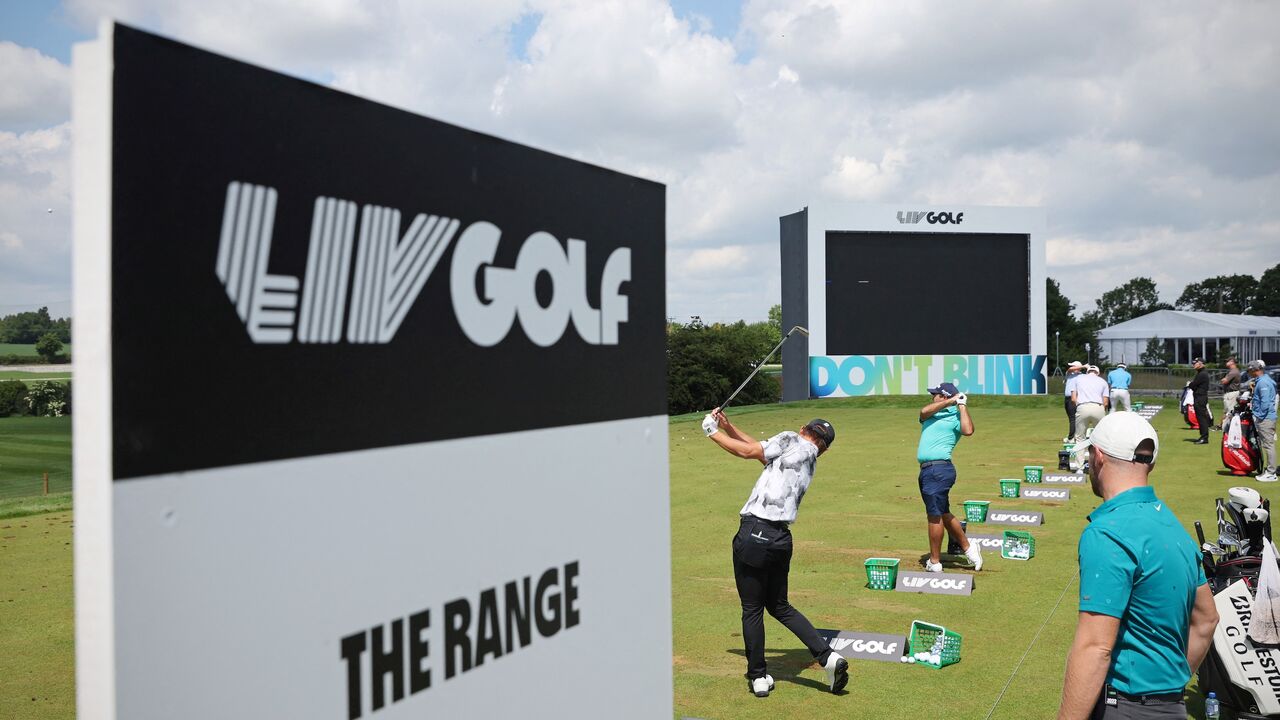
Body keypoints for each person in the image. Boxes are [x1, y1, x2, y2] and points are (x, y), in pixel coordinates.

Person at [1057, 412, 1219, 719]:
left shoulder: (1106, 532)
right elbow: (1207, 619)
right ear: (1151, 463)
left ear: (1098, 456)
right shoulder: (1172, 525)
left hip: (1124, 708)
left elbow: (1095, 648)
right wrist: (1168, 686)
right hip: (1173, 708)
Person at [703, 408, 849, 698]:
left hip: (755, 532)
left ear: (802, 428)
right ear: (825, 448)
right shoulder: (809, 459)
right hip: (781, 539)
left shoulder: (789, 438)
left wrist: (711, 431)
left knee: (752, 609)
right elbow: (760, 451)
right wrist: (730, 427)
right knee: (780, 606)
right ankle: (827, 657)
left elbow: (747, 453)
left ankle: (758, 676)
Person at [916, 382, 982, 573]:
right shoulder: (932, 413)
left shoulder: (956, 416)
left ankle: (935, 562)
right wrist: (952, 401)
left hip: (939, 469)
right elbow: (923, 411)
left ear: (943, 396)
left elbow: (968, 430)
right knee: (943, 512)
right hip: (927, 471)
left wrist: (961, 405)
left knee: (934, 516)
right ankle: (969, 548)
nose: (932, 396)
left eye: (935, 394)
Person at [1247, 360, 1277, 482]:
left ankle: (1271, 473)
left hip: (1265, 418)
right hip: (1266, 417)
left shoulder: (1263, 382)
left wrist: (1258, 414)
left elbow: (1265, 403)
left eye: (1249, 370)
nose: (1248, 373)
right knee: (1268, 444)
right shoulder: (1262, 380)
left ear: (1255, 370)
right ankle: (1270, 471)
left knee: (1268, 445)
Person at [1071, 365, 1110, 440]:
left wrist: (1079, 406)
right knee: (1100, 437)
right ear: (1098, 373)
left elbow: (1073, 399)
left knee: (1080, 437)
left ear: (1087, 372)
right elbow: (1106, 403)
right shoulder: (1103, 382)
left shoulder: (1077, 379)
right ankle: (1098, 451)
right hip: (1098, 407)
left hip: (1082, 407)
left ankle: (1081, 452)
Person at [1188, 358, 1211, 444]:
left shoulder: (1202, 374)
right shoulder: (1200, 373)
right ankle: (1202, 436)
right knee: (1200, 417)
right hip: (1198, 397)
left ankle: (1204, 437)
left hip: (1200, 398)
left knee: (1202, 418)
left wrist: (1191, 384)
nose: (1194, 365)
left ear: (1201, 364)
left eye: (1195, 363)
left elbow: (1193, 385)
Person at [1218, 358, 1242, 430]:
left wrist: (1223, 379)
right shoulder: (1232, 371)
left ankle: (1229, 427)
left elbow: (1224, 381)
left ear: (1232, 362)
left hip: (1232, 394)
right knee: (1226, 411)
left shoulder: (1234, 371)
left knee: (1230, 411)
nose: (1226, 362)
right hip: (1230, 393)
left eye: (1227, 361)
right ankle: (1221, 425)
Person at [1064, 361, 1084, 441]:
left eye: (1073, 366)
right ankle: (1074, 435)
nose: (1072, 367)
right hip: (1067, 398)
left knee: (1074, 418)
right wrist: (1084, 366)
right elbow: (1070, 369)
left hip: (1076, 398)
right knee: (1072, 419)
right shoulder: (1069, 374)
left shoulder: (1082, 376)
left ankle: (1071, 437)